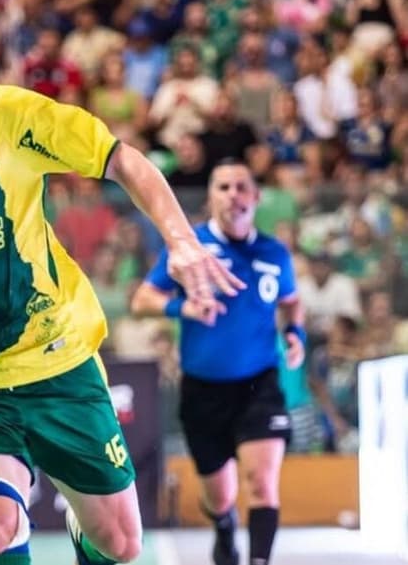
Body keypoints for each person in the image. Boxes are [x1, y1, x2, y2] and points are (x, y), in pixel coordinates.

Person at [0, 0, 243, 565]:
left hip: (56, 358)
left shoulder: (9, 116)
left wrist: (181, 241)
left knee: (122, 544)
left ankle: (89, 533)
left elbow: (120, 158)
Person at [131, 160, 306, 565]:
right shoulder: (188, 250)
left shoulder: (274, 252)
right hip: (203, 389)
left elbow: (291, 301)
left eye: (241, 187)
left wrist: (296, 335)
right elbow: (142, 301)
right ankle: (224, 528)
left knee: (262, 483)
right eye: (223, 187)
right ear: (211, 197)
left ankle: (260, 560)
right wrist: (182, 308)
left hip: (259, 384)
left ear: (256, 197)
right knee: (220, 496)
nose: (233, 195)